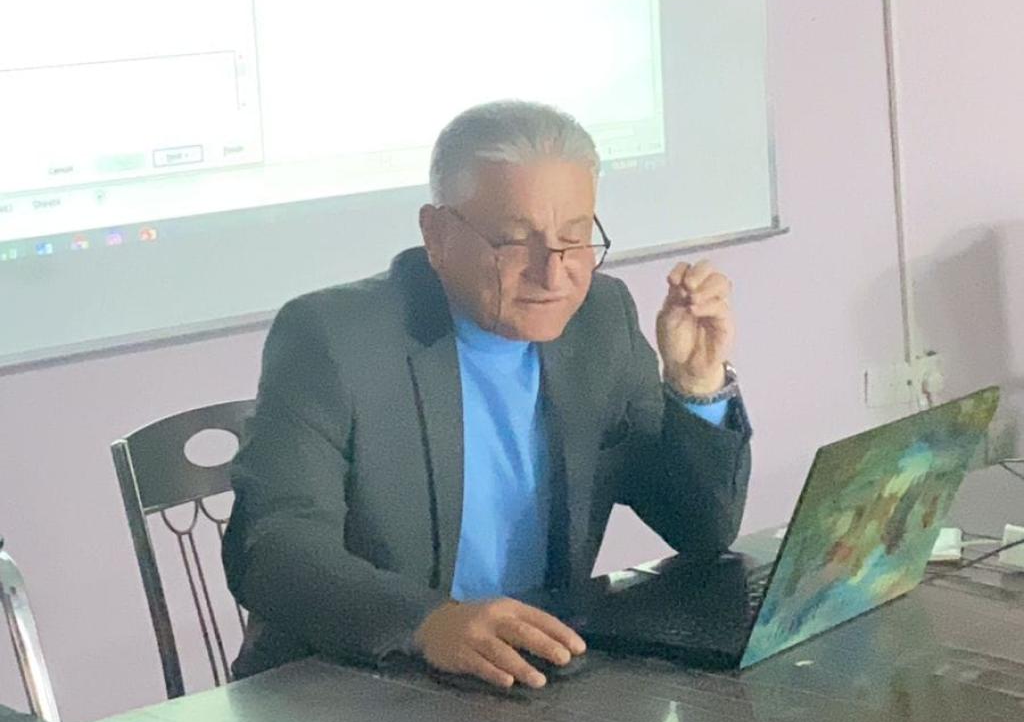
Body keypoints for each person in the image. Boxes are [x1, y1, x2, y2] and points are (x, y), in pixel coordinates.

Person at [223, 101, 751, 690]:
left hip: (524, 680)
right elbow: (273, 548)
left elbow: (702, 530)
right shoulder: (333, 338)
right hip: (356, 685)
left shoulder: (601, 319)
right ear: (437, 233)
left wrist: (695, 384)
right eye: (515, 242)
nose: (553, 274)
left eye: (575, 238)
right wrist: (428, 623)